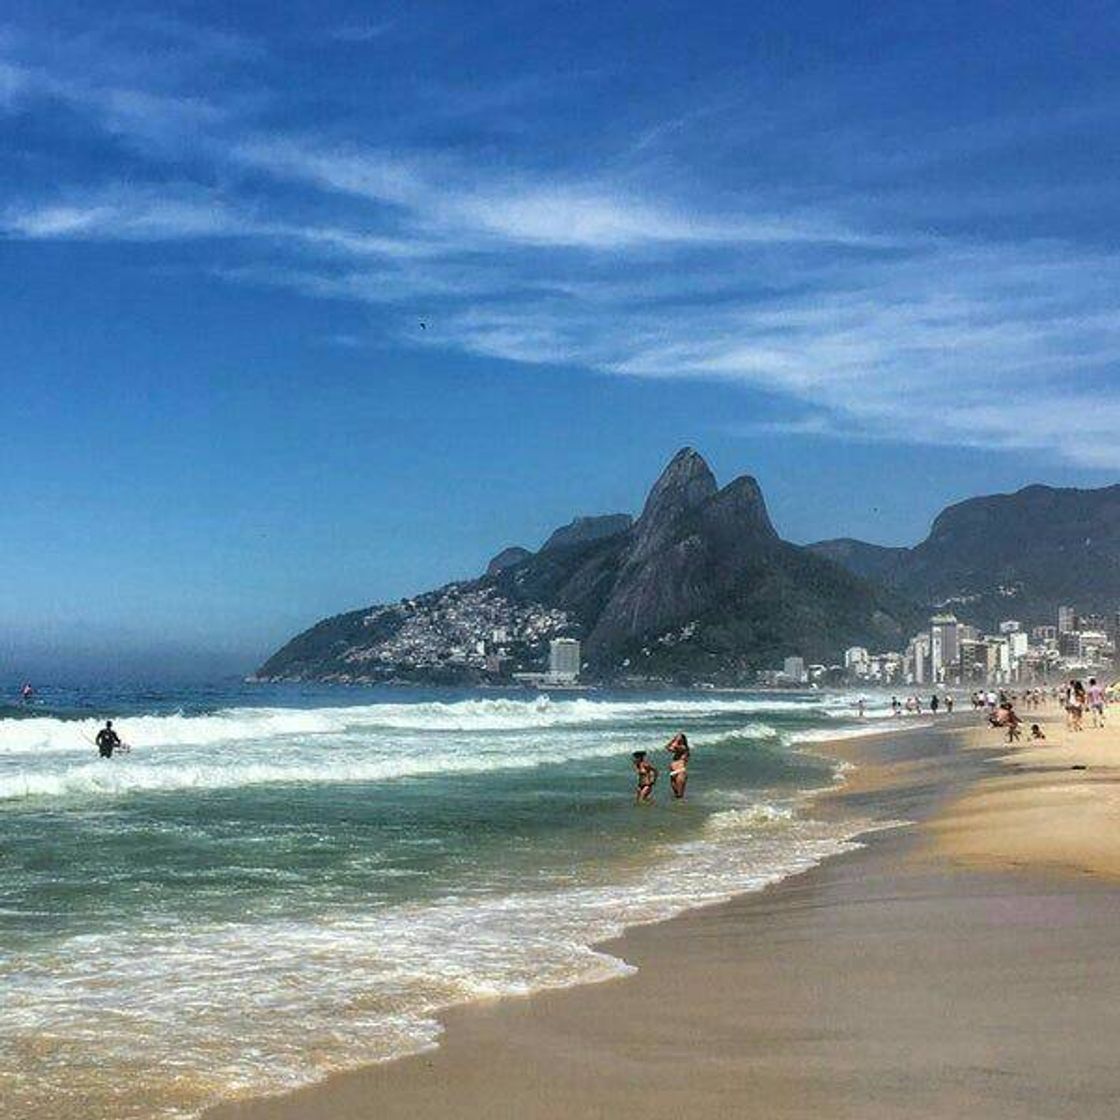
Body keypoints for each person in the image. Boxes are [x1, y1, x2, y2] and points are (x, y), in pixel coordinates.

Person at [665, 732, 690, 799]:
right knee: (675, 794)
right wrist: (673, 740)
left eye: (679, 738)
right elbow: (667, 747)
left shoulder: (684, 748)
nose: (677, 740)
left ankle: (682, 807)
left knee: (680, 795)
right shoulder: (677, 747)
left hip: (680, 772)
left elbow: (675, 747)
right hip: (673, 772)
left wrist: (675, 740)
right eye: (676, 738)